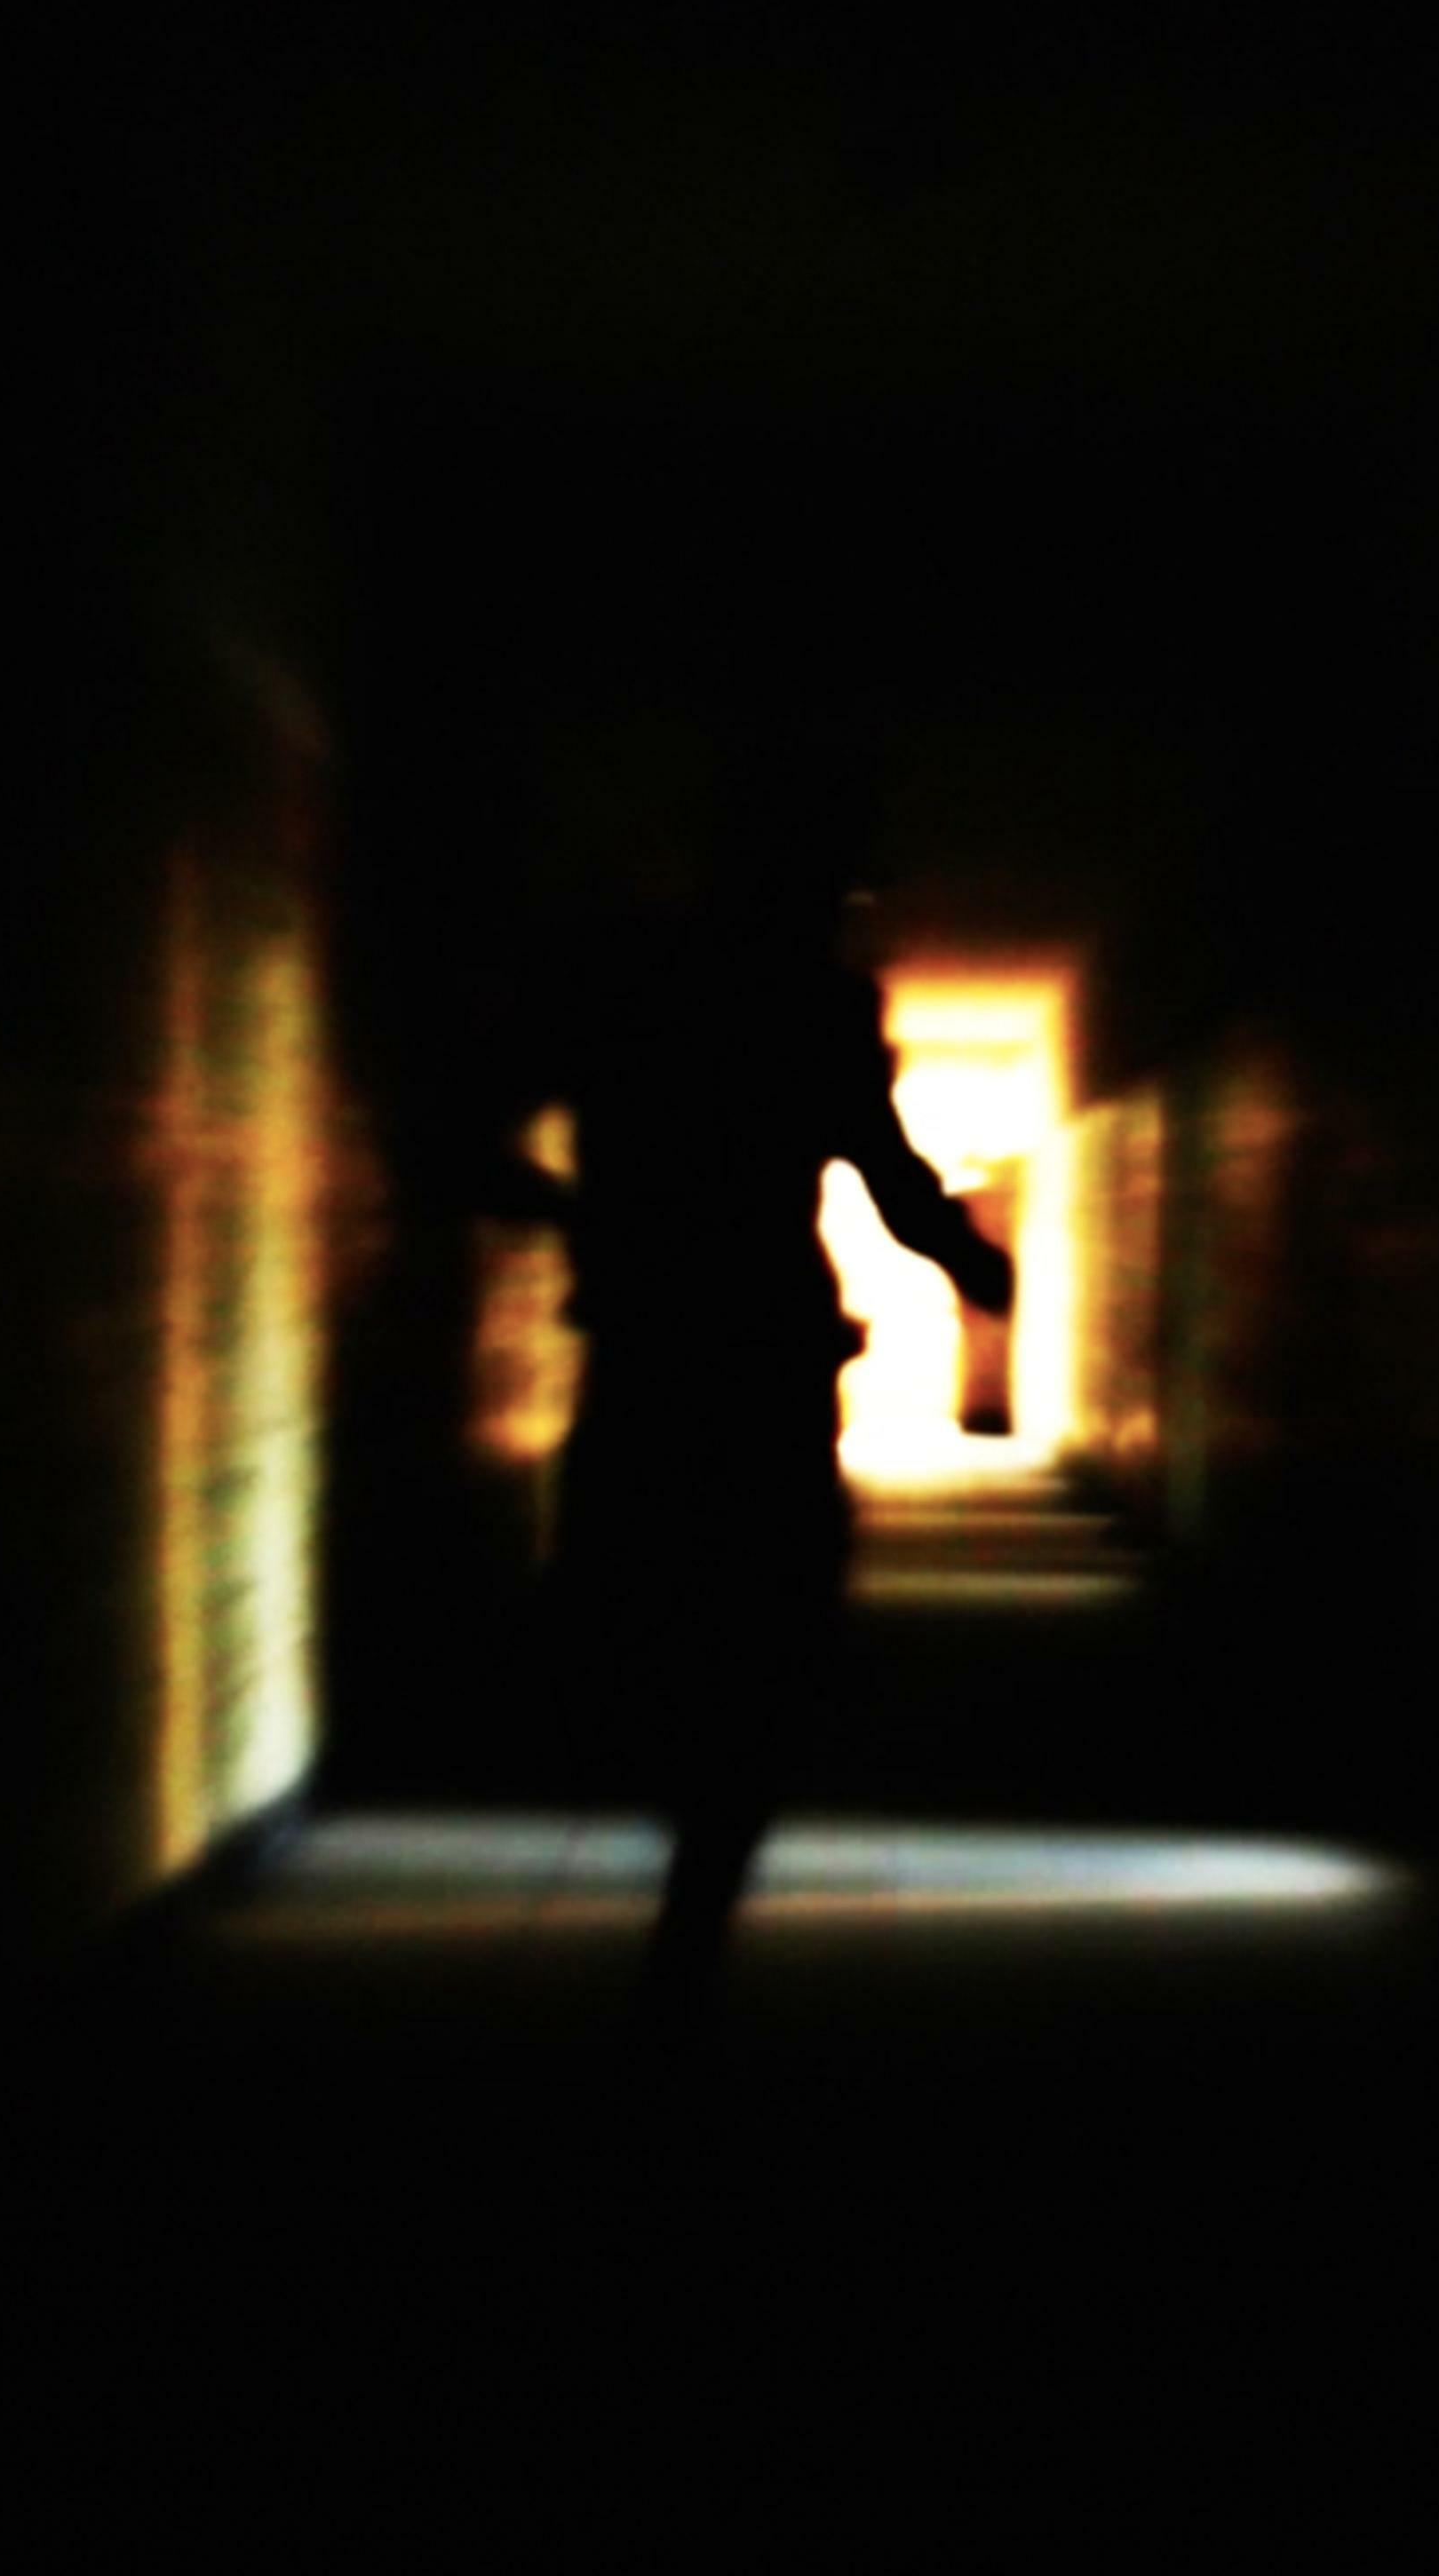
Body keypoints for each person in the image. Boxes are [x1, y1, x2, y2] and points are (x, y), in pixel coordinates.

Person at [481, 737, 1013, 2053]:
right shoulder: (818, 1006)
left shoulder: (624, 978)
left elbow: (474, 1123)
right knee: (767, 1639)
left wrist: (577, 1213)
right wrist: (970, 1263)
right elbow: (893, 1179)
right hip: (767, 1358)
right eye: (840, 884)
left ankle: (691, 1858)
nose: (845, 907)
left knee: (637, 1611)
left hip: (649, 1350)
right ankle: (701, 1883)